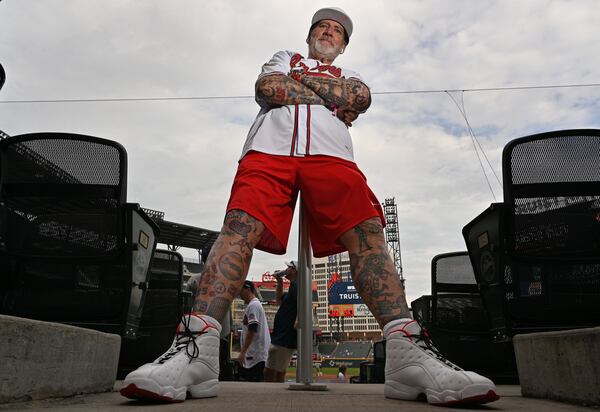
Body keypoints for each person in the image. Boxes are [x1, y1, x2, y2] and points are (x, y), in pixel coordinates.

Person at [120, 7, 499, 406]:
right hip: (269, 151)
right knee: (238, 227)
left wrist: (302, 85)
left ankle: (409, 355)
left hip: (331, 155)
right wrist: (325, 96)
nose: (329, 32)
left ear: (344, 44)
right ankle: (195, 350)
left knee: (368, 235)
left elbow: (361, 98)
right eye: (322, 26)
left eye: (337, 30)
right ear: (309, 35)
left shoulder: (350, 75)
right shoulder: (285, 58)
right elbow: (268, 89)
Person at [264, 261, 298, 382]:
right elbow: (279, 300)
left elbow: (302, 305)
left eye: (289, 267)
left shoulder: (296, 285)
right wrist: (279, 281)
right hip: (284, 337)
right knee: (278, 371)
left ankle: (271, 396)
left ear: (294, 270)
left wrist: (298, 321)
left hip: (284, 337)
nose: (286, 269)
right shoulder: (293, 288)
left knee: (270, 372)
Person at [237, 280, 270, 382]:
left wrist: (243, 352)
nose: (239, 294)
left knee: (255, 384)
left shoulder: (253, 305)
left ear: (248, 289)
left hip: (256, 355)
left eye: (241, 291)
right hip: (257, 353)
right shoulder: (254, 305)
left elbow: (252, 329)